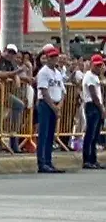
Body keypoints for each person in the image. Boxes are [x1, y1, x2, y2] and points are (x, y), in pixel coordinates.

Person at [35, 46, 65, 174]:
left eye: (55, 57)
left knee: (50, 135)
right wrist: (53, 106)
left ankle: (48, 161)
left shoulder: (57, 73)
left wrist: (59, 106)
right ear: (47, 58)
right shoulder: (43, 72)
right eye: (51, 57)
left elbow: (63, 91)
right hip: (46, 104)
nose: (54, 59)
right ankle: (42, 162)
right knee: (44, 134)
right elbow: (44, 90)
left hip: (55, 103)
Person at [83, 54, 104, 170]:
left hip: (95, 106)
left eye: (100, 66)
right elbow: (94, 95)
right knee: (90, 134)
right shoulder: (90, 76)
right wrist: (101, 108)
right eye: (96, 65)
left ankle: (93, 159)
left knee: (95, 135)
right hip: (92, 105)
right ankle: (87, 160)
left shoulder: (95, 76)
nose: (98, 67)